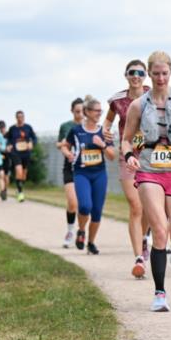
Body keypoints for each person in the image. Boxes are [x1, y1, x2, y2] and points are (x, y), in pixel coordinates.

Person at [120, 50, 171, 312]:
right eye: (154, 73)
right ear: (148, 74)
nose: (159, 78)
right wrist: (128, 155)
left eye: (164, 73)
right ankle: (159, 294)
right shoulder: (138, 105)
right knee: (159, 231)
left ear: (170, 73)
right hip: (149, 169)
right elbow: (126, 138)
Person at [106, 60, 152, 278]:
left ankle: (144, 237)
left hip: (151, 156)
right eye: (132, 72)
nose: (136, 76)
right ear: (126, 75)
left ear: (146, 75)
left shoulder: (154, 95)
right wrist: (106, 136)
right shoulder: (117, 100)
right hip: (128, 156)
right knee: (135, 206)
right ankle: (138, 258)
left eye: (140, 73)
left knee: (146, 206)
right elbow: (107, 123)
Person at [65, 96, 115, 255]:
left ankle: (91, 242)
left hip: (99, 174)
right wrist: (68, 154)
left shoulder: (104, 131)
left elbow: (112, 156)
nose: (99, 114)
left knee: (97, 211)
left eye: (101, 111)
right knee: (85, 206)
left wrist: (103, 145)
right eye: (96, 111)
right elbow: (65, 147)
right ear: (86, 112)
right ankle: (81, 230)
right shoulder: (76, 130)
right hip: (82, 173)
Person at [57, 98, 84, 247]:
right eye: (77, 111)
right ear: (72, 111)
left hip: (86, 168)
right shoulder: (66, 126)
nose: (80, 114)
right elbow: (60, 143)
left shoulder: (89, 126)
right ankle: (70, 230)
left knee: (85, 204)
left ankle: (81, 232)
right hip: (70, 168)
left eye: (82, 111)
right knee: (72, 203)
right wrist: (66, 150)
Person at [6, 110, 37, 202]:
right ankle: (20, 193)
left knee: (24, 174)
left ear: (24, 118)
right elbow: (8, 139)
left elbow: (34, 138)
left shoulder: (28, 127)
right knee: (18, 171)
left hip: (26, 153)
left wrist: (32, 143)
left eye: (22, 117)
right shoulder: (12, 128)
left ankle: (19, 187)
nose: (20, 119)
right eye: (18, 117)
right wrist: (9, 145)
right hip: (16, 153)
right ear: (16, 118)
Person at [0, 120, 11, 200]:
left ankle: (5, 189)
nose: (2, 129)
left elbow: (12, 143)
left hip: (7, 157)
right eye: (0, 128)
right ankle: (2, 191)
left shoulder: (9, 135)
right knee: (0, 174)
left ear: (5, 127)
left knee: (6, 176)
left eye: (3, 127)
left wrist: (9, 147)